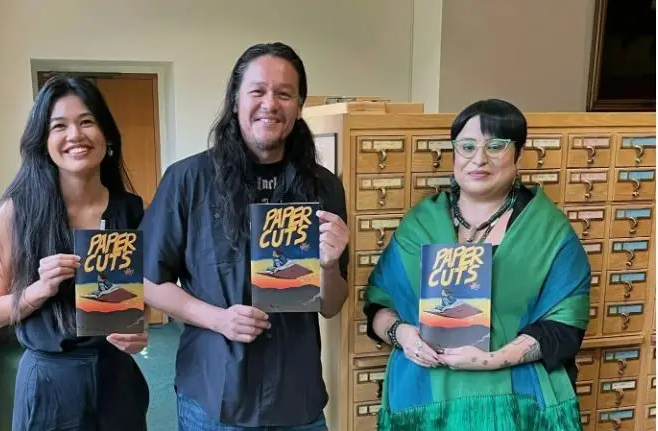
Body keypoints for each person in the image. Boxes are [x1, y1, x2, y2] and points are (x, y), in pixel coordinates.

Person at [140, 42, 350, 430]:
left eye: (284, 94)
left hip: (296, 396)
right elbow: (148, 281)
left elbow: (331, 305)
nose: (270, 103)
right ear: (235, 101)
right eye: (257, 91)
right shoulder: (188, 180)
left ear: (298, 106)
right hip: (214, 395)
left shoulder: (324, 187)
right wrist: (217, 319)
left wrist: (331, 265)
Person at [363, 99, 590, 430]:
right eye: (467, 146)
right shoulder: (420, 224)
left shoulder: (548, 230)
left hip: (519, 407)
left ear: (518, 155)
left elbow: (566, 326)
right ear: (454, 153)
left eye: (495, 146)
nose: (479, 158)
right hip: (425, 403)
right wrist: (402, 334)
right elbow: (378, 306)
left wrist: (494, 360)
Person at [0, 75, 150, 430]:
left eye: (87, 122)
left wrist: (137, 331)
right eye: (59, 126)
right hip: (48, 380)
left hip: (115, 374)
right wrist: (38, 290)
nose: (75, 135)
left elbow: (138, 299)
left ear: (107, 136)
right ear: (43, 141)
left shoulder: (131, 210)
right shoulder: (14, 213)